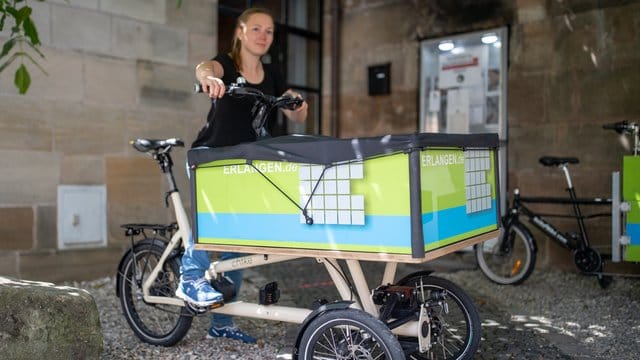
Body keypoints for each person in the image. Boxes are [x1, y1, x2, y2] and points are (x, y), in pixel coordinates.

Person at [176, 7, 308, 344]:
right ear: (240, 31)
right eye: (256, 29)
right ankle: (190, 277)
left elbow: (298, 115)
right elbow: (205, 68)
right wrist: (209, 78)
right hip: (212, 155)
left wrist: (297, 103)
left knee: (237, 243)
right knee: (208, 218)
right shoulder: (228, 64)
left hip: (248, 162)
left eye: (269, 31)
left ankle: (223, 322)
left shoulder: (274, 74)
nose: (263, 36)